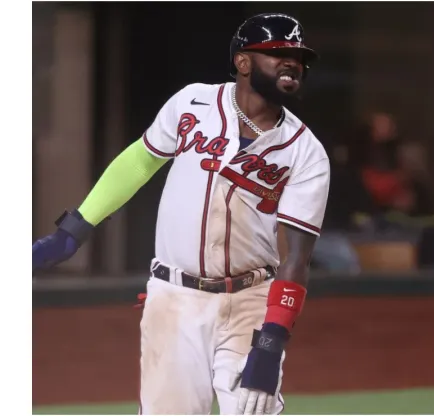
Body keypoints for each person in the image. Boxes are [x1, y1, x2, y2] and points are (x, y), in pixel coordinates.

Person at [32, 13, 330, 415]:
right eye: (278, 53)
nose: (292, 63)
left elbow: (297, 257)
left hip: (252, 299)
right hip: (176, 298)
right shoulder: (193, 102)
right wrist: (76, 229)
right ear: (243, 62)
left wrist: (272, 339)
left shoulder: (306, 152)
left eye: (298, 57)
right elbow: (139, 163)